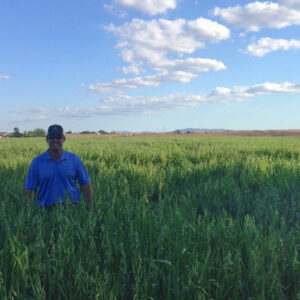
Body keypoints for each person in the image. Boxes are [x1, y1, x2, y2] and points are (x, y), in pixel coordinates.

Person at [25, 124, 93, 212]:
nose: (55, 140)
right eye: (52, 137)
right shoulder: (37, 162)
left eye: (58, 137)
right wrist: (29, 213)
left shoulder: (74, 159)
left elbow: (85, 184)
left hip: (71, 209)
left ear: (63, 139)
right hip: (45, 211)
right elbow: (30, 189)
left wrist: (90, 209)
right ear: (47, 139)